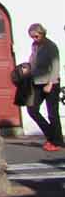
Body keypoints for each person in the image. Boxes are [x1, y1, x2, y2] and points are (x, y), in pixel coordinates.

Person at [24, 23, 61, 151]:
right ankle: (52, 135)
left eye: (36, 36)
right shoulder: (34, 46)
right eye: (32, 37)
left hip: (51, 83)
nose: (34, 39)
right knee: (32, 110)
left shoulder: (51, 46)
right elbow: (32, 61)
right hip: (37, 82)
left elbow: (55, 66)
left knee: (52, 114)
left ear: (42, 33)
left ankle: (55, 142)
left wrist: (50, 83)